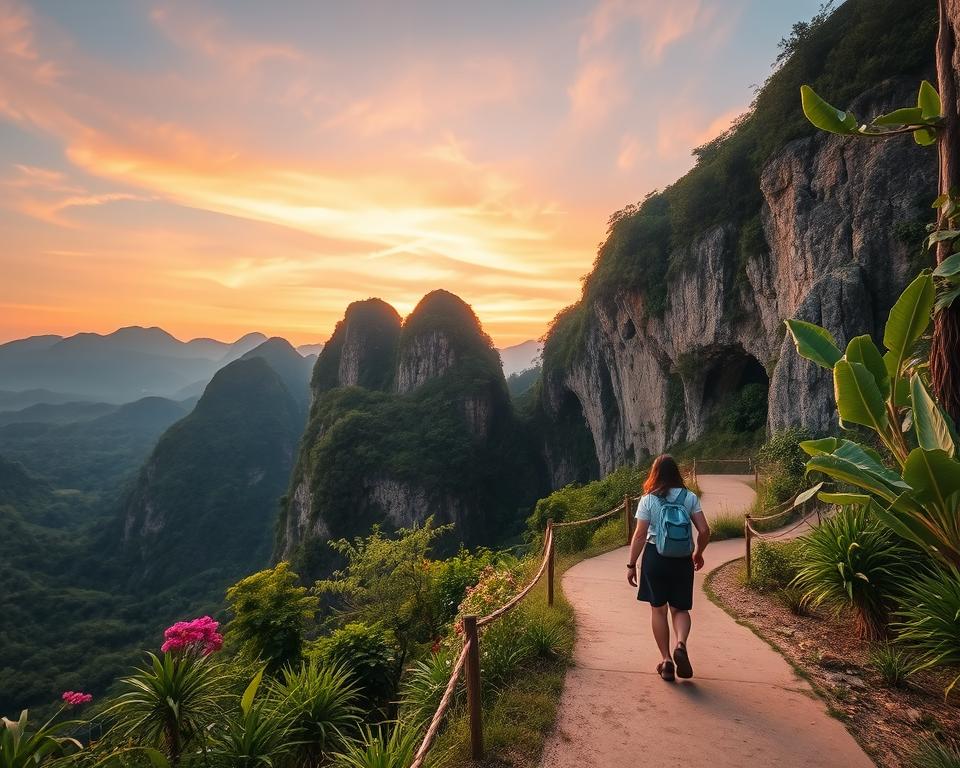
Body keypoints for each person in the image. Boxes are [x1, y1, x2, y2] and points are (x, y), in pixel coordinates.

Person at [626, 454, 710, 681]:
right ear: (676, 473)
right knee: (680, 609)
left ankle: (666, 661)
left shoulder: (648, 500)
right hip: (682, 559)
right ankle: (680, 644)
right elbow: (704, 530)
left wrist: (632, 564)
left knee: (658, 609)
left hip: (655, 557)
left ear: (655, 474)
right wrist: (698, 553)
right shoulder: (689, 497)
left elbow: (640, 535)